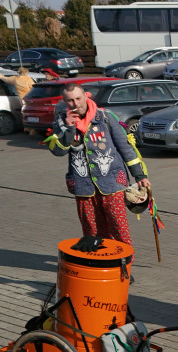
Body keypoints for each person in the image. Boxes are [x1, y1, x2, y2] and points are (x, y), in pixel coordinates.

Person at [47, 83, 150, 245]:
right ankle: (100, 266)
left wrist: (140, 175)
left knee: (119, 229)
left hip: (112, 184)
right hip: (83, 187)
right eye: (70, 101)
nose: (75, 104)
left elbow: (125, 148)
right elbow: (57, 151)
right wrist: (69, 129)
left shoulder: (105, 117)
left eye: (78, 99)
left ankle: (124, 266)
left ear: (86, 96)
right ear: (65, 102)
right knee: (92, 232)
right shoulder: (61, 121)